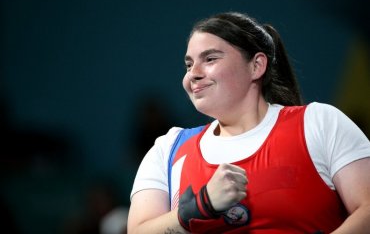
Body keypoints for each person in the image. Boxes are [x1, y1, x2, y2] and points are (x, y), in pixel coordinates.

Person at [127, 12, 370, 233]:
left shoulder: (318, 123)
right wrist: (201, 206)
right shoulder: (169, 149)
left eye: (210, 59)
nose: (194, 73)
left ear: (256, 66)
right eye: (189, 64)